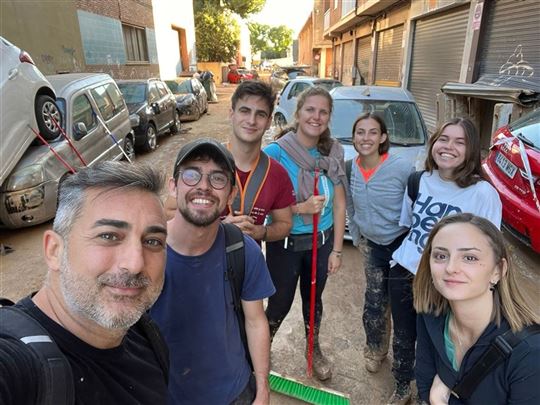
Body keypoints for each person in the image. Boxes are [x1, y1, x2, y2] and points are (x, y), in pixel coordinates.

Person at [0, 161, 169, 404]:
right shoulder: (18, 363)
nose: (135, 264)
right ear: (55, 250)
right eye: (109, 236)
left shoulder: (147, 338)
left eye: (152, 241)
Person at [150, 138, 275, 405]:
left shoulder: (242, 250)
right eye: (192, 174)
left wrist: (262, 388)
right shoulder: (144, 253)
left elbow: (255, 321)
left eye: (218, 178)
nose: (204, 186)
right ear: (173, 186)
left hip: (235, 393)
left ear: (230, 195)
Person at [387, 117, 502, 404]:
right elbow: (409, 226)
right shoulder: (418, 180)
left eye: (460, 142)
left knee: (439, 345)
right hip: (404, 273)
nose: (448, 146)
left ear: (471, 150)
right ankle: (402, 386)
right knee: (403, 335)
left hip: (448, 281)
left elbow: (488, 250)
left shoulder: (483, 194)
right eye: (443, 139)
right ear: (433, 143)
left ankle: (433, 394)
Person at [263, 86, 347, 381]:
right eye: (310, 110)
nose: (316, 116)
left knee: (314, 300)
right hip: (285, 245)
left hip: (320, 243)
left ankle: (314, 349)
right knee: (279, 304)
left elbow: (339, 202)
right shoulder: (275, 153)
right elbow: (265, 207)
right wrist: (300, 208)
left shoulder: (334, 151)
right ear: (298, 114)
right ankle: (261, 351)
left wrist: (337, 249)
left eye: (323, 111)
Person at [413, 213, 540, 404]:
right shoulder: (430, 314)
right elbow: (424, 381)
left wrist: (438, 399)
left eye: (470, 258)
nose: (450, 267)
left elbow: (431, 394)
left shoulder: (530, 353)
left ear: (498, 270)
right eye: (441, 255)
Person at [346, 113, 414, 374]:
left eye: (373, 132)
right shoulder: (349, 168)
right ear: (353, 138)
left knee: (402, 306)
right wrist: (359, 237)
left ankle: (404, 362)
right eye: (360, 132)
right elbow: (350, 207)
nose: (366, 138)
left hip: (400, 246)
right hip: (372, 247)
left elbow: (415, 207)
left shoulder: (402, 169)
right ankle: (375, 349)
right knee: (374, 301)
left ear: (383, 137)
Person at [222, 80, 295, 243]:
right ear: (231, 114)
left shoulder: (277, 174)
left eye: (260, 114)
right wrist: (217, 228)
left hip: (249, 265)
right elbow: (169, 214)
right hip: (201, 264)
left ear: (269, 122)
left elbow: (285, 224)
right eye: (245, 111)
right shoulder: (204, 161)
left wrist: (260, 231)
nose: (252, 121)